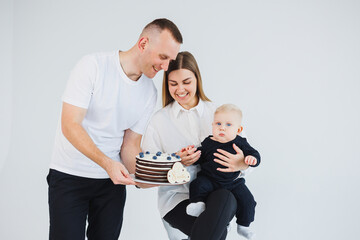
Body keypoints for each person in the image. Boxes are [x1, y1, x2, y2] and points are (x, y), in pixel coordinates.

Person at [47, 18, 182, 240]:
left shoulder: (149, 92)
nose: (166, 67)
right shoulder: (92, 66)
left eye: (171, 60)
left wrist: (154, 175)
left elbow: (129, 146)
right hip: (69, 176)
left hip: (111, 184)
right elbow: (70, 125)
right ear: (143, 44)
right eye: (163, 57)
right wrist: (107, 163)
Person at [141, 51, 251, 240]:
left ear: (197, 80)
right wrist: (175, 162)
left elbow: (247, 154)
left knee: (223, 199)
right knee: (215, 232)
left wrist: (242, 163)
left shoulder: (219, 114)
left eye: (186, 82)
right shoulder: (158, 122)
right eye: (173, 84)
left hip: (220, 194)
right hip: (177, 200)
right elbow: (143, 180)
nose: (180, 89)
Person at [186, 104, 261, 239]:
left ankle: (244, 225)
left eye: (228, 125)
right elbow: (200, 157)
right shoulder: (208, 142)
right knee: (197, 184)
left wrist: (251, 158)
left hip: (233, 182)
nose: (222, 127)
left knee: (248, 201)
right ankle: (197, 204)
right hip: (210, 180)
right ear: (212, 125)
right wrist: (192, 156)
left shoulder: (240, 142)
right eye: (218, 123)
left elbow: (254, 153)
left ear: (239, 129)